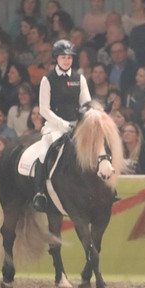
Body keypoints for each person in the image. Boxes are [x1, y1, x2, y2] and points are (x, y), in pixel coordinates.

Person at [31, 40, 91, 213]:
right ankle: (40, 193)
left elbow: (86, 104)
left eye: (69, 58)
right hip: (55, 126)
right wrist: (62, 124)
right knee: (44, 150)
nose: (67, 61)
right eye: (63, 57)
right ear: (56, 58)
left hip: (76, 126)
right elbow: (44, 109)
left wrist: (81, 123)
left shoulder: (79, 79)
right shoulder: (47, 80)